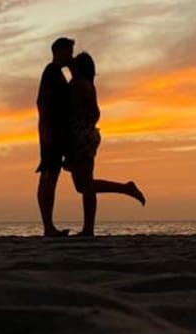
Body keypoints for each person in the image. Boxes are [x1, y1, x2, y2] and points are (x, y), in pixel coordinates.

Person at [66, 51, 145, 236]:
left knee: (84, 185)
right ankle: (89, 228)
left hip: (82, 137)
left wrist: (83, 126)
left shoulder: (81, 85)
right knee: (85, 185)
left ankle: (125, 189)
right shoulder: (83, 84)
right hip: (82, 136)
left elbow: (95, 113)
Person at [36, 36, 74, 237]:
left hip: (54, 132)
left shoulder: (56, 74)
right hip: (52, 133)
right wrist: (47, 131)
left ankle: (48, 226)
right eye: (69, 52)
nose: (71, 56)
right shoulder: (52, 72)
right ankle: (48, 226)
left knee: (50, 177)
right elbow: (43, 103)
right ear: (59, 52)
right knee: (49, 177)